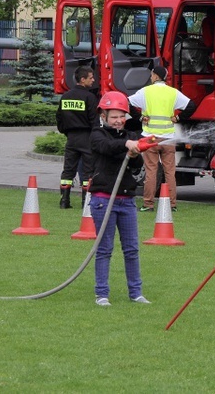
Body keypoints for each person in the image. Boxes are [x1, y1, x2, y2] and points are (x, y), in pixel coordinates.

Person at [89, 91, 150, 306]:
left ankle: (136, 293)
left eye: (121, 116)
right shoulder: (97, 134)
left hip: (126, 200)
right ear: (104, 116)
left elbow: (137, 167)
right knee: (105, 249)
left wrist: (135, 154)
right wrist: (126, 146)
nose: (118, 120)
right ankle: (102, 294)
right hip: (103, 200)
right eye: (113, 116)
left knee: (131, 249)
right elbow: (106, 147)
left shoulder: (130, 137)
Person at [128, 66, 196, 212]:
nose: (151, 77)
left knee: (151, 171)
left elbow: (127, 103)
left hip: (150, 138)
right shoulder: (172, 92)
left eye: (152, 74)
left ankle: (148, 204)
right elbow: (191, 106)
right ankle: (172, 205)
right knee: (170, 172)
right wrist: (178, 118)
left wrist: (140, 117)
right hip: (168, 138)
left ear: (156, 76)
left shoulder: (145, 92)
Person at [56, 66, 99, 209]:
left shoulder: (66, 96)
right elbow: (94, 121)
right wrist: (97, 137)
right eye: (90, 77)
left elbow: (59, 118)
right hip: (87, 137)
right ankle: (85, 202)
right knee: (88, 171)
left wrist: (66, 132)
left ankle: (64, 201)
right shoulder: (90, 97)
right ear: (82, 79)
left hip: (71, 138)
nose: (93, 80)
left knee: (68, 169)